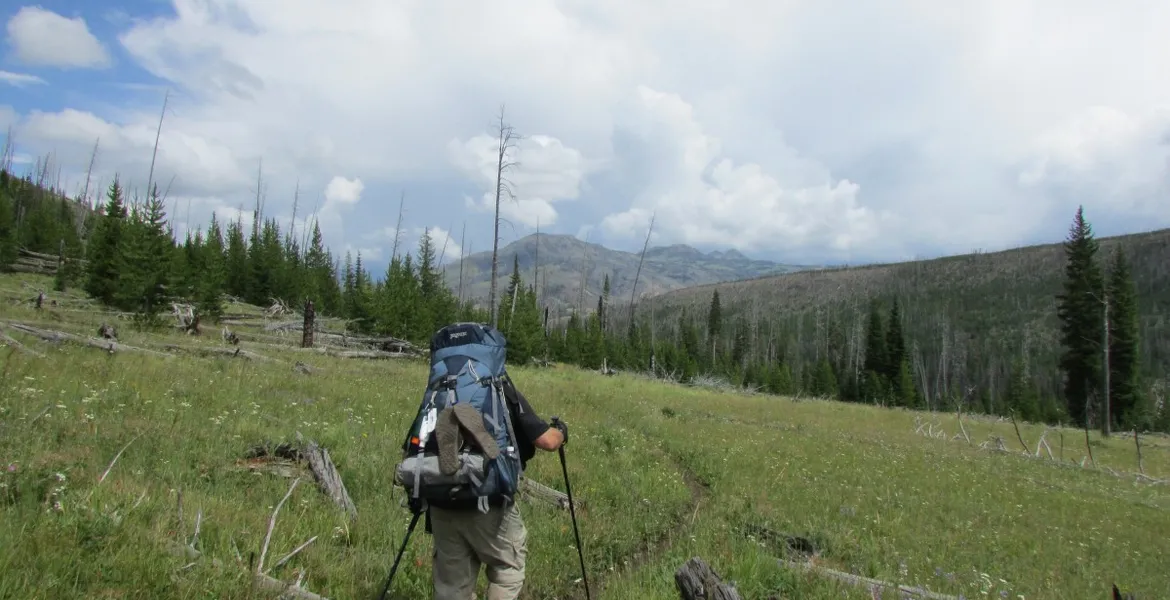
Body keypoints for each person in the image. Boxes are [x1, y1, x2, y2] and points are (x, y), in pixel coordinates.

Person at [425, 372, 567, 600]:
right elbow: (547, 441)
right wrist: (561, 431)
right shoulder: (500, 386)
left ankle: (461, 440)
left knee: (452, 586)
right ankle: (476, 445)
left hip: (440, 495)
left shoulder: (438, 389)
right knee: (508, 569)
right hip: (487, 497)